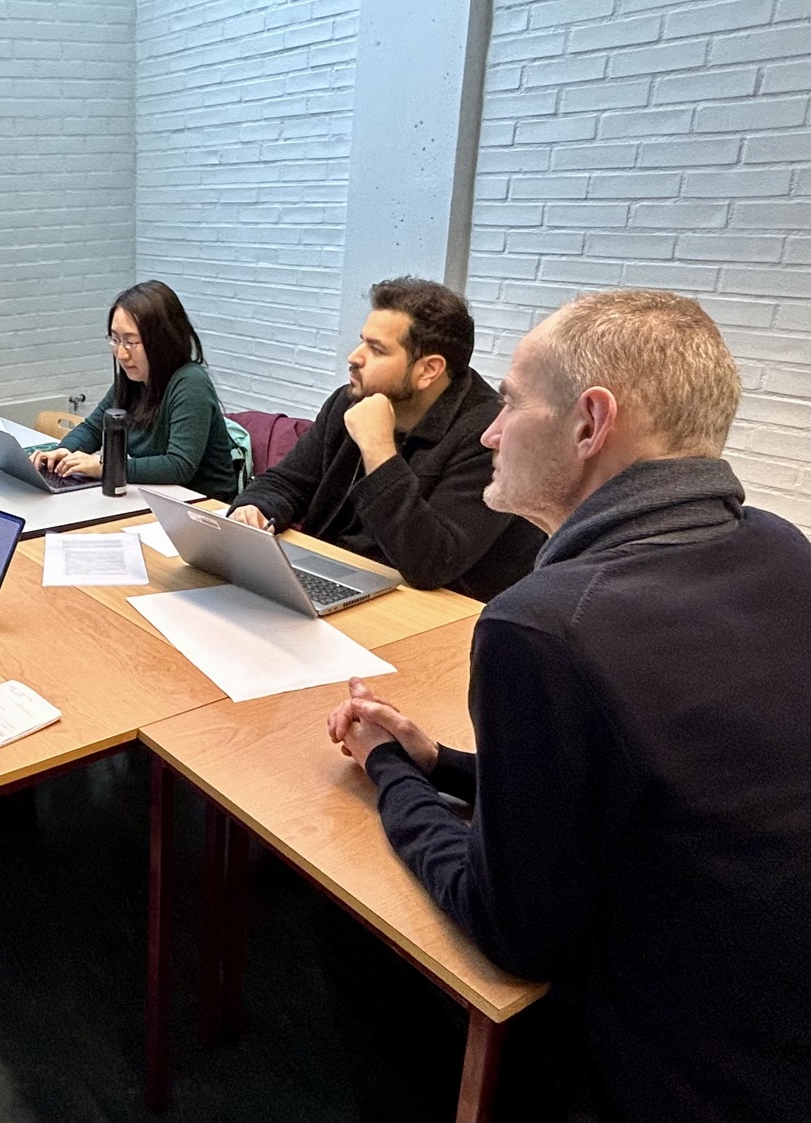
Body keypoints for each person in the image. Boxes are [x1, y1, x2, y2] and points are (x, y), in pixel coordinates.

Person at [326, 291, 811, 1123]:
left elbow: (512, 928)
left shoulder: (541, 627)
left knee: (344, 936)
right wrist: (441, 764)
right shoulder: (779, 545)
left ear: (589, 424)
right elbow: (642, 782)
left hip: (666, 1070)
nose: (487, 431)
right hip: (776, 1022)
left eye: (509, 404)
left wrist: (386, 774)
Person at [227, 277, 543, 601]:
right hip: (339, 578)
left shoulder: (491, 437)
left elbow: (432, 564)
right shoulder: (350, 401)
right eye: (362, 341)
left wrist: (378, 448)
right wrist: (254, 507)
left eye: (376, 349)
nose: (354, 357)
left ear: (428, 370)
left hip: (428, 610)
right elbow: (289, 481)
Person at [31, 280, 240, 502]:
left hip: (204, 507)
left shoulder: (191, 382)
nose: (121, 353)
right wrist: (63, 452)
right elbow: (94, 428)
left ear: (162, 341)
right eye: (115, 339)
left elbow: (179, 465)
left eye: (131, 342)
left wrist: (106, 467)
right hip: (159, 498)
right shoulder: (133, 379)